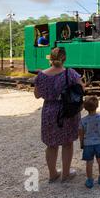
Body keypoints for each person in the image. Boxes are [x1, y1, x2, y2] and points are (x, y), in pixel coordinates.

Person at [34, 47, 84, 183]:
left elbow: (37, 95)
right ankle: (66, 174)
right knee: (67, 143)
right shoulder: (71, 73)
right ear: (64, 58)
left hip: (49, 111)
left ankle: (52, 174)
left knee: (51, 144)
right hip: (67, 111)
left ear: (50, 59)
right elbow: (81, 89)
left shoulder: (41, 75)